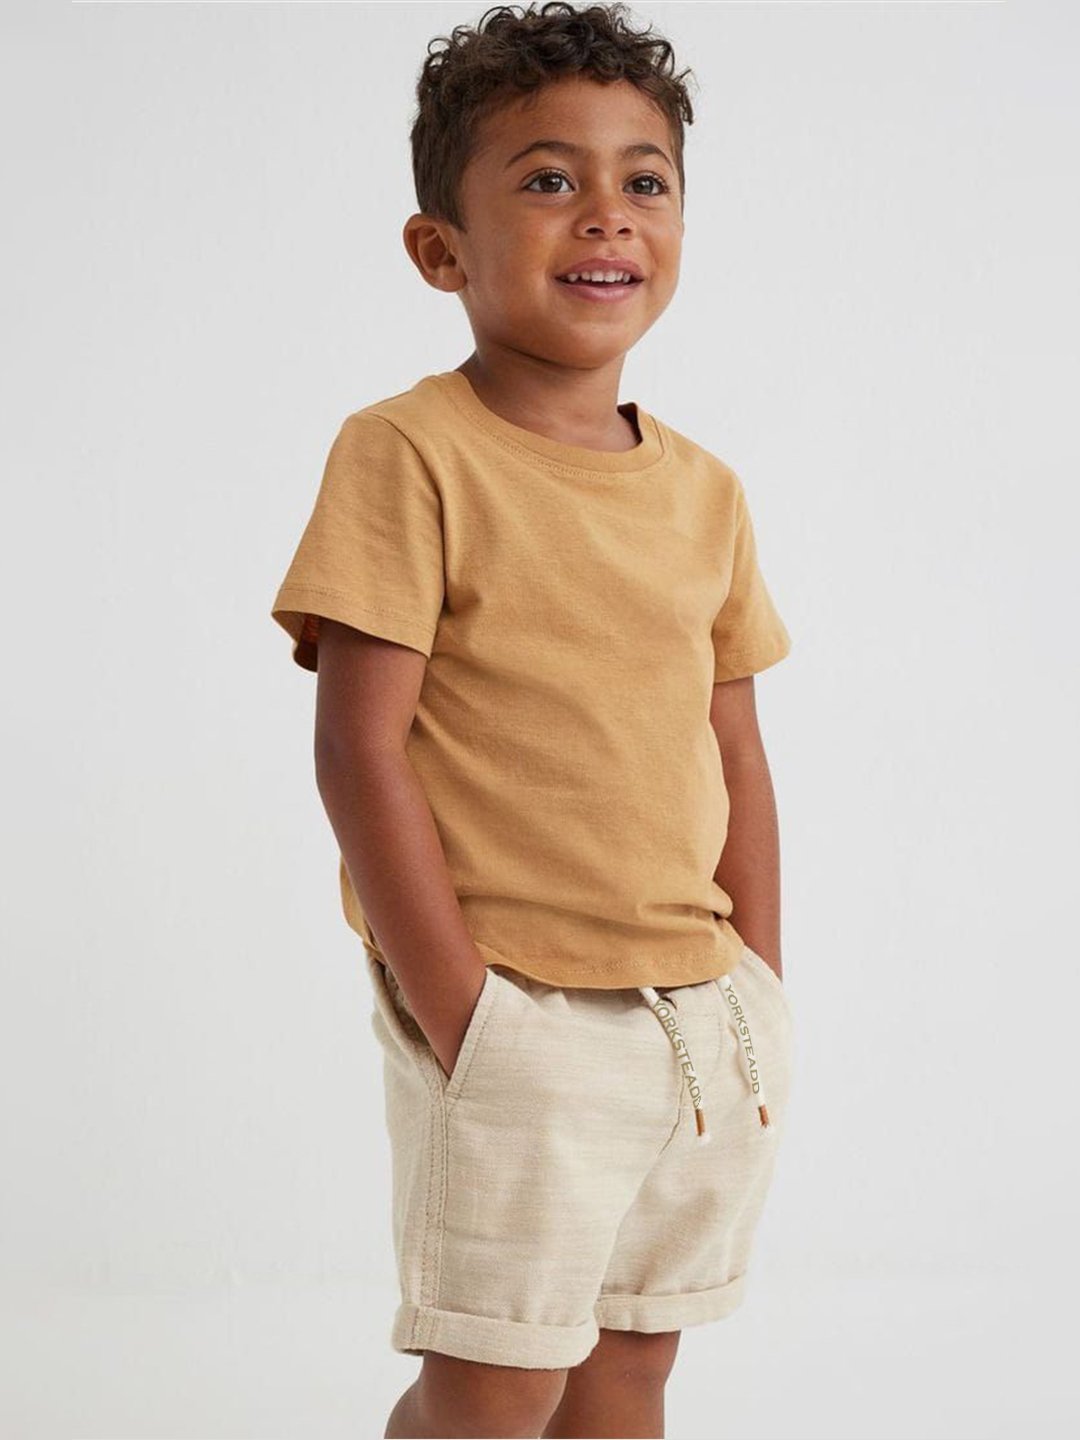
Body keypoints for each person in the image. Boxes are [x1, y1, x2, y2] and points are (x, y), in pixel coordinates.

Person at [270, 4, 796, 1436]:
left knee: (631, 1368)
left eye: (645, 179)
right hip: (516, 1009)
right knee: (496, 1380)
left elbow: (734, 746)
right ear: (440, 248)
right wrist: (462, 1010)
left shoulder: (707, 492)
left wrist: (759, 982)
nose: (606, 214)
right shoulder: (408, 453)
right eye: (550, 179)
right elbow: (358, 746)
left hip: (698, 1018)